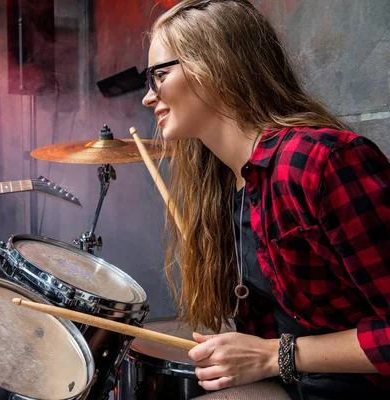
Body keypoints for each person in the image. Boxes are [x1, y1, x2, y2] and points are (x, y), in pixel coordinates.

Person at [142, 1, 390, 399]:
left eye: (159, 75)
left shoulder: (319, 162)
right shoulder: (228, 185)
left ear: (214, 66)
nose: (147, 97)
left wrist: (275, 355)